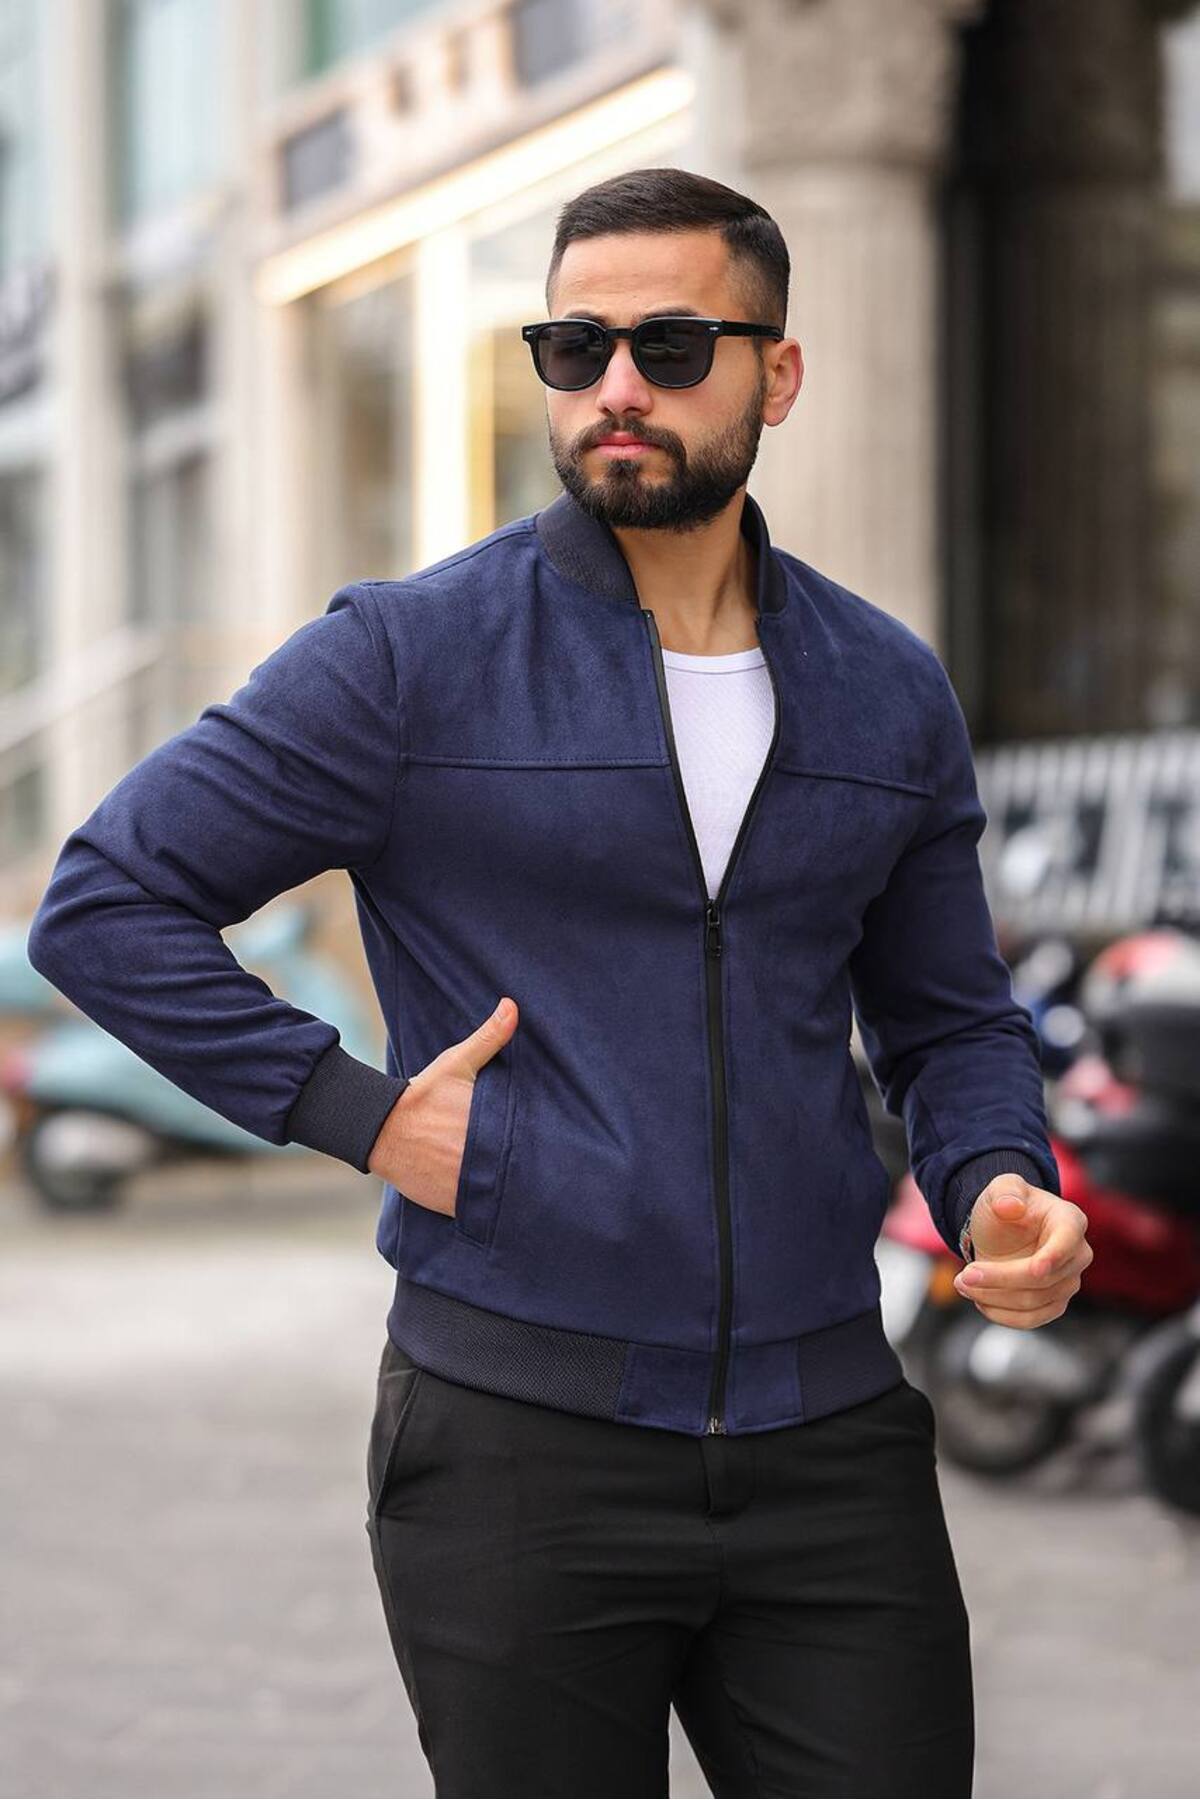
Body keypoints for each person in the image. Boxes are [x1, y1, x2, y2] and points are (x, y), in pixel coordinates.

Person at [27, 167, 1093, 1799]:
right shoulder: (409, 658)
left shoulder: (884, 688)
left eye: (672, 345)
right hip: (519, 1447)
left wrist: (999, 1180)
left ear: (777, 375)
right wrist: (358, 1113)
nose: (616, 387)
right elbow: (108, 900)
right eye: (575, 346)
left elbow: (948, 1018)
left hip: (828, 1442)